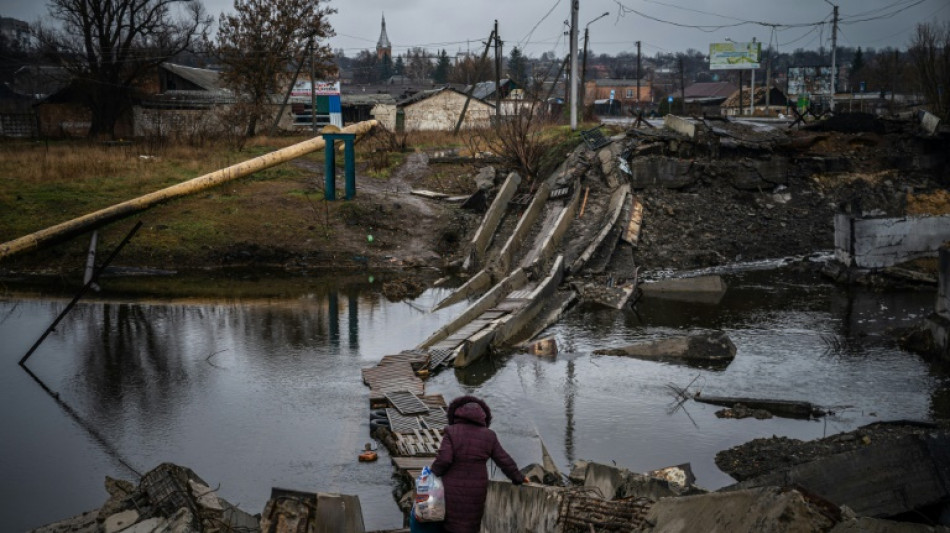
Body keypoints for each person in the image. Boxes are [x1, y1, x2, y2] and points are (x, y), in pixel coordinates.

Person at [425, 395, 528, 533]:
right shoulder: (489, 435)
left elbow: (444, 459)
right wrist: (519, 477)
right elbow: (504, 460)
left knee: (451, 524)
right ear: (483, 417)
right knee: (471, 524)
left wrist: (432, 474)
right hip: (477, 489)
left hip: (452, 488)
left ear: (456, 414)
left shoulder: (451, 431)